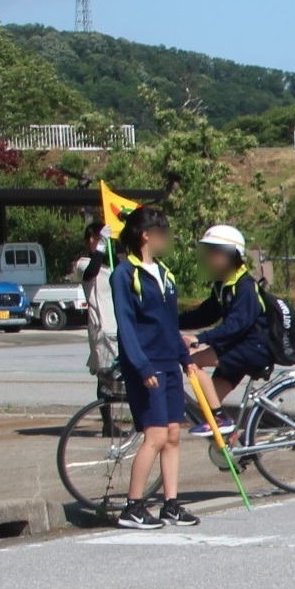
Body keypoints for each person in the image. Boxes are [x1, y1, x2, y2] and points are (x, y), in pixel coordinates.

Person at [110, 206, 200, 529]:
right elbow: (126, 325)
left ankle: (171, 504)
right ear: (146, 235)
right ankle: (133, 506)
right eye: (161, 233)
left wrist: (185, 357)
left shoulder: (165, 274)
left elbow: (168, 323)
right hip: (145, 365)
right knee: (156, 434)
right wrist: (140, 364)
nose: (166, 239)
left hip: (168, 362)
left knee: (174, 434)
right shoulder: (123, 274)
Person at [180, 225, 274, 438]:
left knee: (192, 361)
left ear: (228, 255)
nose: (207, 258)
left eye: (212, 253)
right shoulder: (224, 284)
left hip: (253, 348)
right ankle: (237, 442)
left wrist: (199, 339)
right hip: (238, 347)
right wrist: (170, 322)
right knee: (206, 406)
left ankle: (222, 418)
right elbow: (206, 314)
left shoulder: (245, 287)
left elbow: (236, 325)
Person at [75, 222, 121, 403]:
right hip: (101, 327)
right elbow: (91, 271)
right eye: (94, 238)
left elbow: (121, 271)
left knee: (119, 376)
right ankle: (107, 421)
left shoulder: (111, 265)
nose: (96, 241)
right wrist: (101, 246)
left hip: (118, 325)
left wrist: (111, 246)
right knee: (104, 377)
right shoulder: (83, 264)